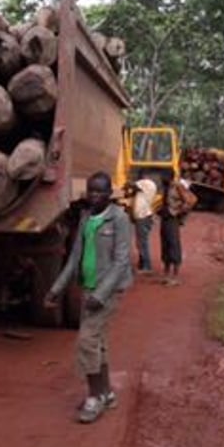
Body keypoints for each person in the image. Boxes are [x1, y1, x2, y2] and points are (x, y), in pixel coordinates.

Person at [44, 172, 132, 424]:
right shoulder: (86, 219)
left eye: (99, 192)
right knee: (98, 343)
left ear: (109, 194)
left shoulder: (120, 219)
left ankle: (94, 397)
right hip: (88, 289)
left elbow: (122, 261)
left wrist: (102, 295)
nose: (94, 196)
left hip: (107, 292)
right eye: (91, 191)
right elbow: (73, 260)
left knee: (86, 340)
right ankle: (107, 394)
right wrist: (55, 290)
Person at [159, 177, 196, 286]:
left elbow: (191, 200)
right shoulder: (167, 188)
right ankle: (166, 274)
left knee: (173, 244)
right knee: (165, 244)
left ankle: (175, 276)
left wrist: (177, 211)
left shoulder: (178, 188)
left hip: (172, 219)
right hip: (165, 218)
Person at [124, 177, 158, 273]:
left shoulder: (148, 184)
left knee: (142, 242)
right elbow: (132, 191)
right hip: (142, 217)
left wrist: (128, 185)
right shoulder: (140, 192)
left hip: (143, 217)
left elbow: (133, 186)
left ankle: (147, 266)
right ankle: (142, 263)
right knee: (141, 242)